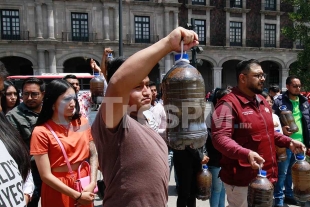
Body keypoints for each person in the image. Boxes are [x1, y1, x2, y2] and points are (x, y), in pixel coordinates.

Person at [91, 27, 198, 206]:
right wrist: (167, 44)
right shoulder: (112, 121)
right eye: (137, 86)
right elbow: (118, 84)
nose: (147, 92)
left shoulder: (146, 118)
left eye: (148, 85)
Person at [211, 59, 305, 207]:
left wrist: (289, 141)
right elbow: (219, 138)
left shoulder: (262, 100)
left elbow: (268, 133)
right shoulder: (227, 104)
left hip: (266, 178)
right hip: (243, 182)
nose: (263, 79)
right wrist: (246, 153)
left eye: (263, 75)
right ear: (243, 78)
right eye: (258, 75)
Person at [30, 79, 98, 207]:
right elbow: (45, 176)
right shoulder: (41, 132)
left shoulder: (82, 122)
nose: (72, 103)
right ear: (53, 103)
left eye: (73, 98)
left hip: (84, 183)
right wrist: (77, 195)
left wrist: (92, 182)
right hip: (58, 187)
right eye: (66, 99)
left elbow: (93, 154)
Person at [6, 77, 45, 207]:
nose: (29, 98)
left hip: (52, 166)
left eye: (34, 94)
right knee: (32, 200)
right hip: (31, 169)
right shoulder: (13, 116)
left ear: (43, 94)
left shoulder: (50, 111)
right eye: (25, 94)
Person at [272, 75, 310, 207]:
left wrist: (308, 143)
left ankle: (289, 195)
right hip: (285, 144)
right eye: (295, 86)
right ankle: (279, 200)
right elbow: (272, 121)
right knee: (282, 173)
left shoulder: (304, 101)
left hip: (301, 143)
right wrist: (281, 128)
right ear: (287, 86)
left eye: (299, 86)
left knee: (293, 173)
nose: (298, 88)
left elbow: (308, 123)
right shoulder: (279, 101)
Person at [205, 88, 229, 207]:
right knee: (216, 188)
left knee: (223, 188)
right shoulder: (211, 114)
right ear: (219, 100)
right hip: (215, 157)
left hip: (225, 157)